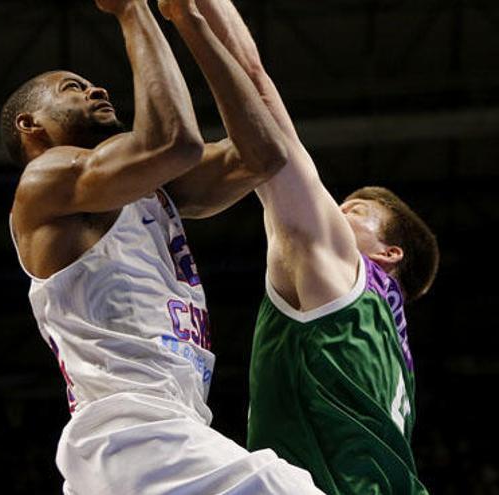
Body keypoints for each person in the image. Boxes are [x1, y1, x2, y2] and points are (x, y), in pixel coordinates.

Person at [4, 0, 323, 492]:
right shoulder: (46, 181)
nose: (96, 88)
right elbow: (176, 142)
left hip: (166, 435)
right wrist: (133, 12)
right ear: (31, 125)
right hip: (135, 435)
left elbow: (263, 154)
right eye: (73, 88)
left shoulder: (153, 190)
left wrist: (191, 23)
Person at [169, 1, 438, 493]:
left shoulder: (345, 272)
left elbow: (258, 93)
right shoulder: (395, 359)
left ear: (388, 254)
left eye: (354, 211)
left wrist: (190, 13)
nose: (333, 211)